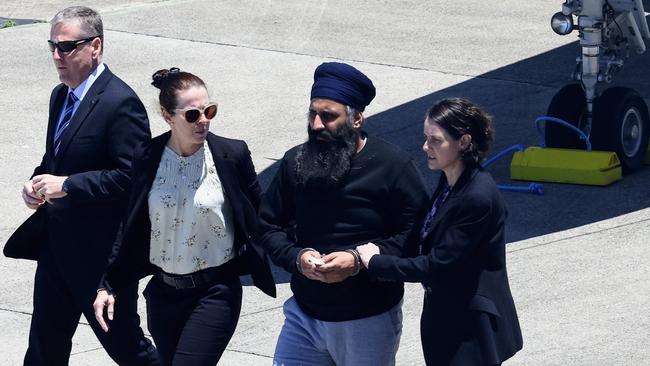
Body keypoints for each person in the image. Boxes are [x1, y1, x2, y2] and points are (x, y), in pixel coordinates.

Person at [2, 6, 159, 365]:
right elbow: (57, 161)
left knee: (127, 348)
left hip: (100, 257)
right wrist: (36, 183)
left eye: (68, 47)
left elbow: (132, 178)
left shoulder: (121, 104)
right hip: (57, 248)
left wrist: (68, 185)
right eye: (53, 46)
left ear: (95, 46)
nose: (58, 56)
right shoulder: (61, 96)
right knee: (44, 349)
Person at [93, 67, 277, 366]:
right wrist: (106, 283)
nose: (203, 120)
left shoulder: (232, 154)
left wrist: (299, 251)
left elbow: (264, 214)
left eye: (209, 111)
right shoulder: (147, 156)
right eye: (193, 115)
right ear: (168, 116)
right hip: (164, 295)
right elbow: (130, 224)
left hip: (216, 291)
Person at [258, 62, 428, 366]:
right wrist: (297, 258)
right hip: (304, 316)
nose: (317, 125)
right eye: (313, 114)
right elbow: (269, 225)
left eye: (329, 116)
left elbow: (415, 235)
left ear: (357, 118)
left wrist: (358, 261)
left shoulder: (393, 166)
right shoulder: (295, 161)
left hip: (368, 320)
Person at [357, 98, 523, 366]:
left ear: (464, 142)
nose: (425, 147)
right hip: (448, 321)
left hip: (470, 331)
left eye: (435, 140)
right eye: (425, 138)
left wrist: (375, 263)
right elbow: (425, 236)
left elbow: (438, 265)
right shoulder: (450, 180)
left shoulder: (477, 197)